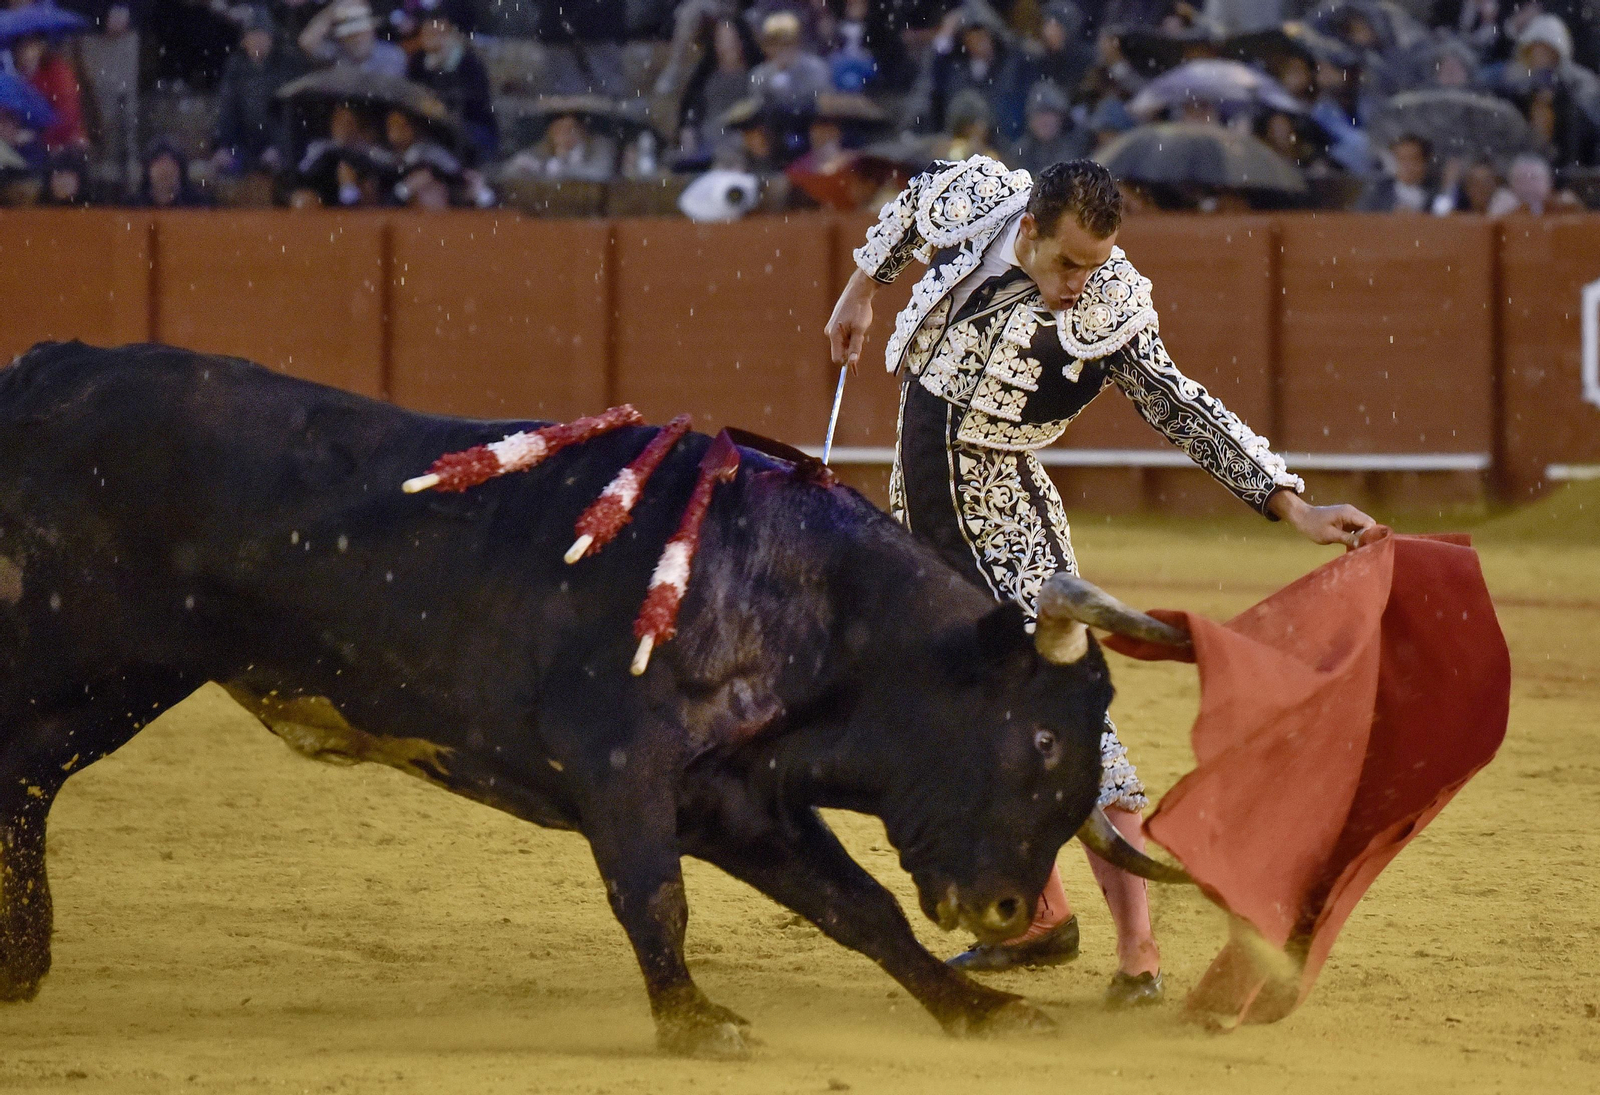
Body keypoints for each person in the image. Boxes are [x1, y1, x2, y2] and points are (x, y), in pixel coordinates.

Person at [823, 156, 1375, 1005]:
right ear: (1031, 228)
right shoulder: (980, 202)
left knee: (1073, 721)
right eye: (1070, 262)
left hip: (1007, 523)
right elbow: (910, 207)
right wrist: (859, 289)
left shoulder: (1110, 301)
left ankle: (1139, 955)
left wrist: (1291, 504)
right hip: (925, 523)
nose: (1084, 282)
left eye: (1097, 261)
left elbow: (1179, 405)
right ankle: (1041, 918)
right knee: (969, 717)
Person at [212, 6, 300, 177]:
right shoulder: (235, 68)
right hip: (243, 147)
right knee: (227, 169)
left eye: (262, 35)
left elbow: (290, 116)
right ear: (244, 41)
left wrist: (279, 148)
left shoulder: (287, 67)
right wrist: (223, 146)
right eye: (253, 35)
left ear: (271, 38)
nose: (257, 40)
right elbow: (227, 110)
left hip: (281, 148)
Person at [405, 0, 496, 161]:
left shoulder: (468, 61)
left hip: (470, 127)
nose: (430, 34)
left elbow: (475, 102)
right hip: (429, 126)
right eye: (427, 29)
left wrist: (442, 105)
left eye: (436, 30)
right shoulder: (418, 61)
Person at [298, 0, 406, 77]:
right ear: (341, 38)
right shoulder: (335, 54)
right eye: (351, 34)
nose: (357, 39)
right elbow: (306, 42)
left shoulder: (392, 56)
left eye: (361, 32)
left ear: (371, 31)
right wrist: (335, 7)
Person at [1013, 81, 1088, 172]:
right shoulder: (1022, 151)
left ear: (1062, 118)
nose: (1044, 121)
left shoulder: (1081, 143)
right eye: (1039, 115)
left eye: (1050, 114)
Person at [1355, 133, 1435, 212]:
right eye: (1401, 159)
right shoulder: (1378, 191)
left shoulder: (1436, 192)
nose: (1407, 166)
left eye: (1413, 159)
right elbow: (1360, 216)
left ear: (1425, 162)